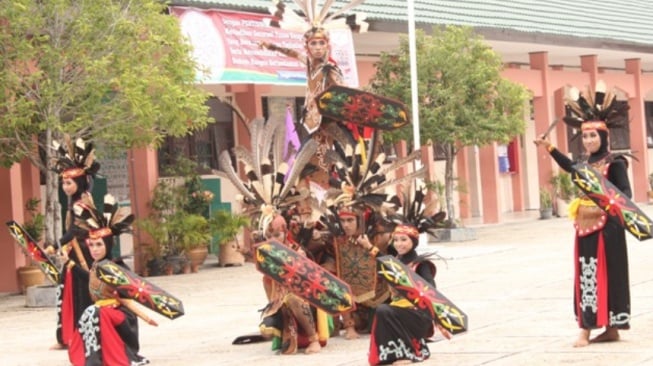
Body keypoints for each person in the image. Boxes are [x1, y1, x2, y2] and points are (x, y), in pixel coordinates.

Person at [533, 81, 631, 347]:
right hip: (585, 227)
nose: (589, 140)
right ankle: (587, 326)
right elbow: (569, 167)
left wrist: (603, 197)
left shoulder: (615, 163)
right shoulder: (584, 165)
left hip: (608, 228)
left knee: (607, 277)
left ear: (604, 137)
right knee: (586, 275)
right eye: (585, 136)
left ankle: (607, 328)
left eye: (593, 136)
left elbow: (626, 196)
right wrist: (549, 147)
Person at [69, 194, 150, 366]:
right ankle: (91, 357)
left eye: (99, 245)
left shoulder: (117, 267)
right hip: (102, 311)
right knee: (90, 312)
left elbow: (132, 292)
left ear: (108, 245)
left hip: (121, 314)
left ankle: (114, 357)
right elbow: (89, 281)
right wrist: (71, 266)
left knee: (97, 313)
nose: (94, 249)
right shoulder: (95, 267)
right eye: (91, 245)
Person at [361, 215, 443, 365]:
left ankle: (409, 352)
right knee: (381, 311)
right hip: (399, 311)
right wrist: (367, 246)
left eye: (404, 240)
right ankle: (390, 354)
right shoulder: (395, 262)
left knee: (384, 310)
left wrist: (440, 321)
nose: (399, 244)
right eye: (396, 240)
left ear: (414, 241)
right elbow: (383, 261)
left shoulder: (421, 264)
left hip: (418, 314)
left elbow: (431, 293)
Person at [46, 135, 100, 350]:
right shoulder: (75, 201)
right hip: (73, 254)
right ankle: (67, 337)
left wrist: (56, 244)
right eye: (63, 183)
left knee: (81, 296)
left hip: (84, 254)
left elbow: (76, 230)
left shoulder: (83, 202)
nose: (65, 186)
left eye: (68, 183)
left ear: (78, 182)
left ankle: (81, 337)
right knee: (67, 293)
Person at [258, 213, 323, 355]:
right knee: (265, 328)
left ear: (285, 233)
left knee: (292, 298)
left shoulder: (297, 250)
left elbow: (309, 284)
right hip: (280, 301)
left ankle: (314, 340)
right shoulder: (268, 253)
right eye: (269, 236)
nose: (273, 240)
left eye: (277, 235)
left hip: (305, 300)